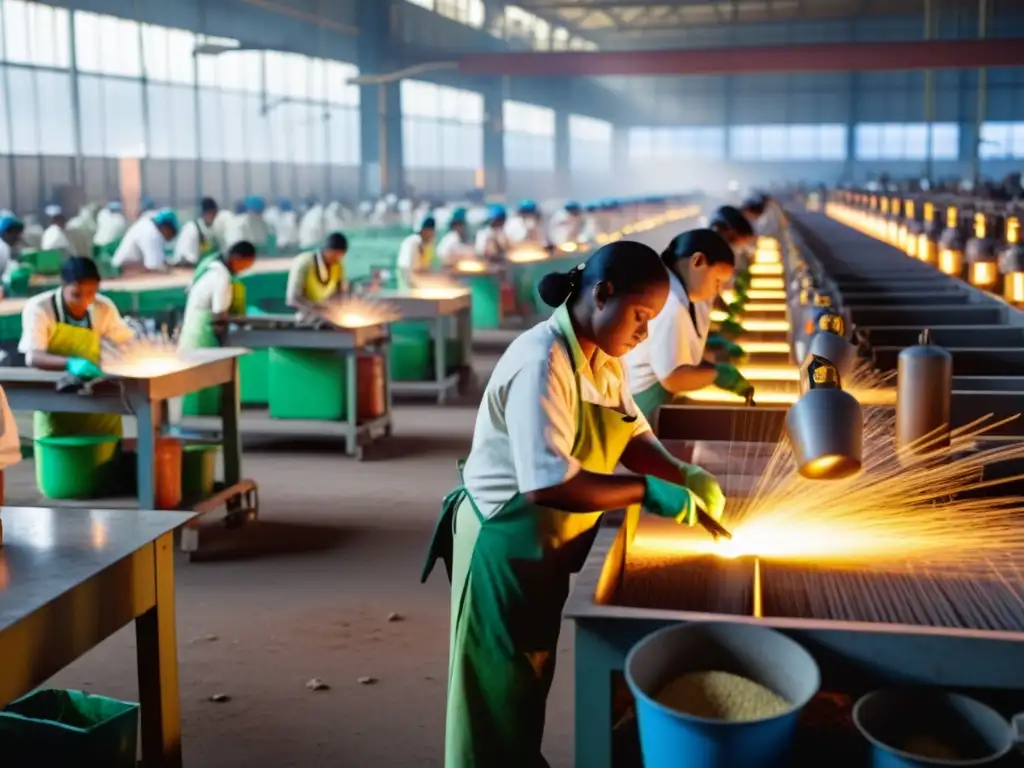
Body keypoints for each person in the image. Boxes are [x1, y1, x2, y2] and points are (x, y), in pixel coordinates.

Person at [421, 240, 726, 768]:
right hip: (502, 541)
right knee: (493, 687)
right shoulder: (544, 361)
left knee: (526, 675)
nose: (644, 332)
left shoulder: (601, 358)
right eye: (639, 315)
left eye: (652, 319)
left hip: (543, 544)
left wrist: (679, 471)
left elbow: (631, 430)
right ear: (602, 295)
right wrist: (644, 491)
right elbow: (545, 483)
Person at [625, 229, 753, 420]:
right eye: (717, 281)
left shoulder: (681, 294)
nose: (718, 290)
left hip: (647, 393)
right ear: (698, 261)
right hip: (643, 402)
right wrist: (716, 374)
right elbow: (672, 378)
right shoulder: (670, 302)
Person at [19, 256, 136, 440]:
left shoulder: (102, 307)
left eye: (91, 293)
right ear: (63, 286)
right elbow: (33, 357)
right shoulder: (40, 308)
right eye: (77, 294)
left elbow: (126, 341)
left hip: (99, 403)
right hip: (56, 402)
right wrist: (71, 363)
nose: (85, 301)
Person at [178, 241, 258, 350]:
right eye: (245, 264)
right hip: (202, 338)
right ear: (236, 258)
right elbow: (219, 317)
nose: (244, 270)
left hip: (191, 335)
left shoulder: (211, 269)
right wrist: (225, 347)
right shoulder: (221, 276)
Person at [285, 232, 348, 317]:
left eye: (341, 255)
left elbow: (341, 294)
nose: (338, 258)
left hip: (328, 316)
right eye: (335, 254)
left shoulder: (338, 265)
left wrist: (339, 309)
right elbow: (293, 298)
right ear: (327, 250)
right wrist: (319, 310)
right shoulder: (304, 262)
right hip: (305, 316)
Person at [111, 209, 179, 274]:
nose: (170, 237)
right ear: (166, 228)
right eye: (171, 233)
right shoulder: (152, 234)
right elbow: (154, 267)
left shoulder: (148, 225)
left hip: (127, 268)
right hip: (123, 272)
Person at [171, 197, 219, 267]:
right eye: (211, 213)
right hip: (184, 267)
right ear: (204, 213)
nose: (213, 217)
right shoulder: (191, 228)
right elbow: (183, 258)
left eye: (214, 214)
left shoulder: (208, 230)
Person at [396, 216, 437, 290]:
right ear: (425, 230)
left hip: (420, 282)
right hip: (408, 282)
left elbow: (427, 266)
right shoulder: (413, 243)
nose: (432, 235)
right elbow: (410, 270)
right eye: (431, 231)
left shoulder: (427, 244)